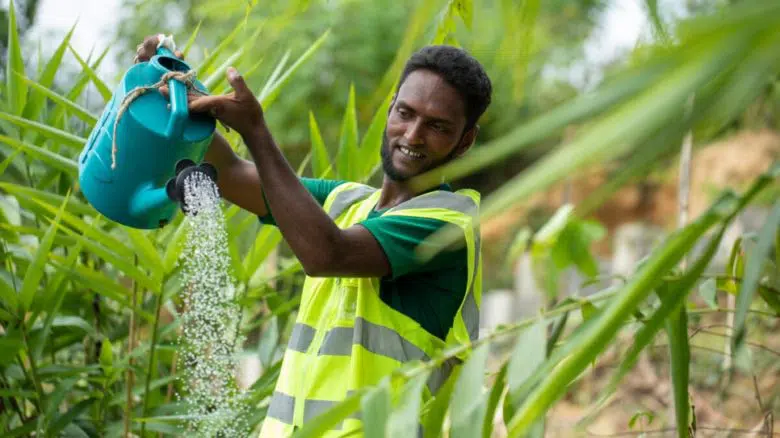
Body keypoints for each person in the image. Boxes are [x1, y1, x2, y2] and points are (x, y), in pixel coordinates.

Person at [136, 34, 492, 436]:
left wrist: (256, 130)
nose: (412, 135)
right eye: (405, 114)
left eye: (437, 126)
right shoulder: (345, 203)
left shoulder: (449, 223)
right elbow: (230, 173)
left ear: (465, 142)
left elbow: (327, 255)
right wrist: (171, 89)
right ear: (391, 107)